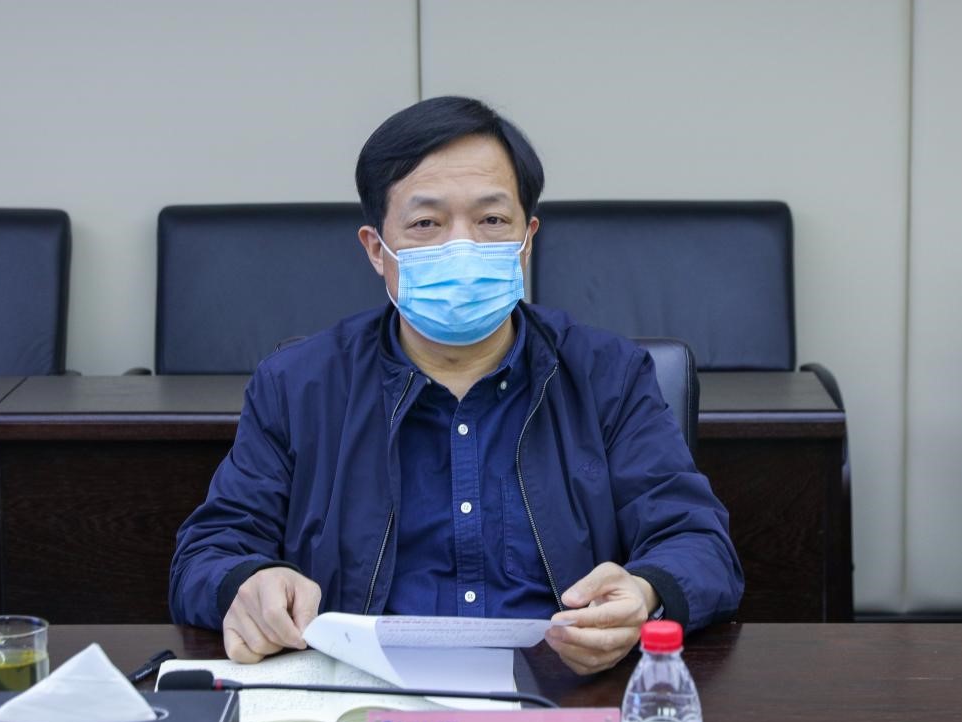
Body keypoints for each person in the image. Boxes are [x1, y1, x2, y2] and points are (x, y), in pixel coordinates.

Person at [170, 96, 743, 674]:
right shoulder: (298, 385)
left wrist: (644, 593)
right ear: (376, 249)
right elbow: (209, 552)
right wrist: (246, 583)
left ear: (527, 239)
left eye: (491, 220)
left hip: (561, 689)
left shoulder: (607, 375)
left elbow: (699, 544)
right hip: (362, 694)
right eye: (426, 224)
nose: (461, 247)